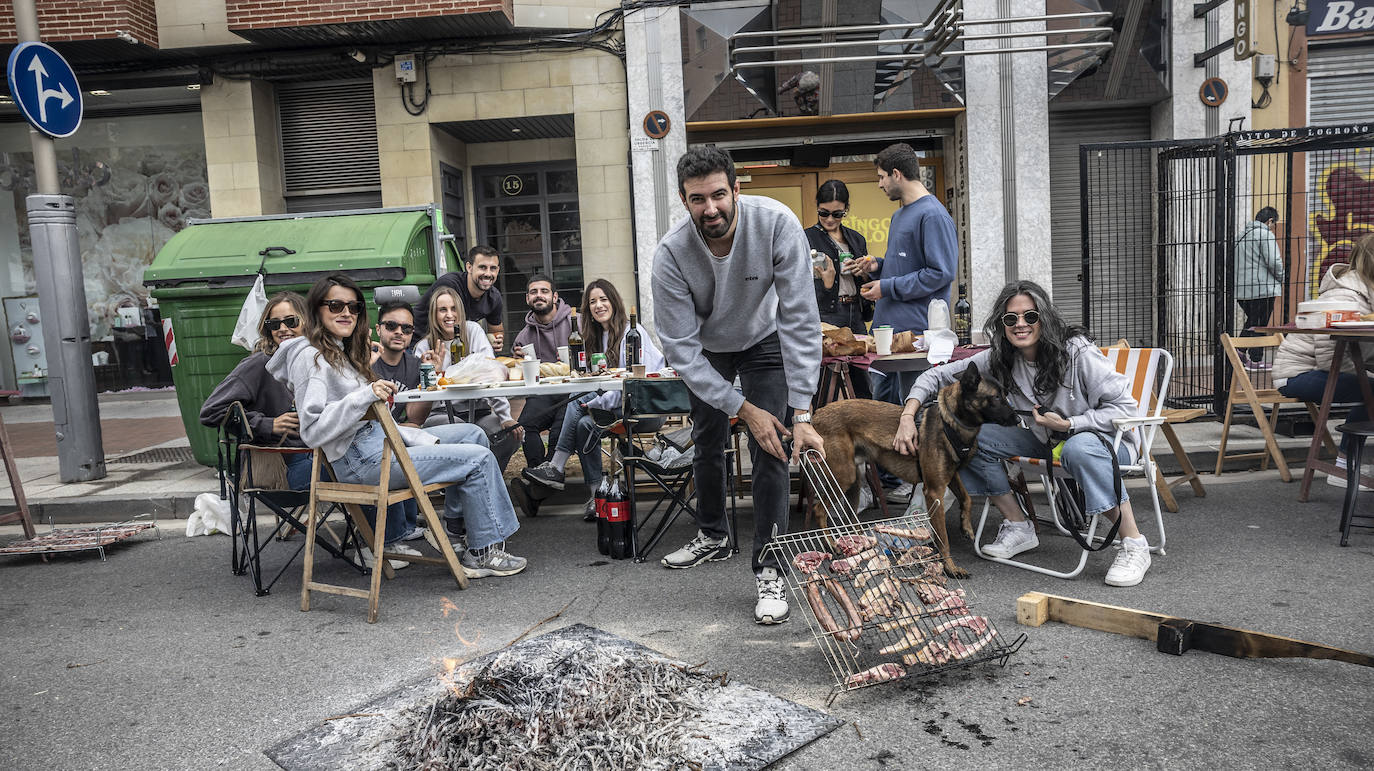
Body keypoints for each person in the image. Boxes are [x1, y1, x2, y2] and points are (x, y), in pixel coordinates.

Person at [651, 145, 824, 625]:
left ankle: (770, 567)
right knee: (707, 441)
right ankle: (713, 534)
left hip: (763, 336)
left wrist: (802, 411)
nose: (710, 209)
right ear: (684, 202)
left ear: (736, 189)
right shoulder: (670, 254)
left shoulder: (776, 223)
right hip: (706, 347)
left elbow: (802, 320)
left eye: (719, 195)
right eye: (697, 199)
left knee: (771, 443)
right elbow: (681, 351)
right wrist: (740, 408)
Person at [895, 280, 1154, 587]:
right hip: (1049, 441)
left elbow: (1127, 409)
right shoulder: (1002, 357)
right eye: (1011, 318)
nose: (1020, 325)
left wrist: (1070, 425)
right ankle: (1019, 525)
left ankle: (1133, 543)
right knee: (972, 438)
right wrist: (908, 416)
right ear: (1001, 324)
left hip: (1108, 443)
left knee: (1078, 448)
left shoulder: (1077, 352)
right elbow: (937, 374)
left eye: (1030, 316)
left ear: (1044, 316)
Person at [266, 274, 526, 578]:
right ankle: (483, 553)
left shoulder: (340, 352)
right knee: (478, 458)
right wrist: (365, 396)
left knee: (474, 433)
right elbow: (311, 429)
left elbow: (363, 409)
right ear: (317, 310)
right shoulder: (312, 358)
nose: (346, 312)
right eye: (335, 305)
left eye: (354, 306)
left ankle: (457, 532)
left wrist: (380, 402)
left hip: (380, 443)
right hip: (363, 460)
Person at [856, 142, 958, 501]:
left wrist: (887, 286)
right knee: (884, 411)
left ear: (897, 174)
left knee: (916, 416)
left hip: (916, 337)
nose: (880, 184)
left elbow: (941, 273)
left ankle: (926, 488)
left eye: (882, 177)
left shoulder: (933, 215)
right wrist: (878, 266)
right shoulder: (902, 214)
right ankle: (894, 482)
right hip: (889, 335)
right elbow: (910, 265)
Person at [522, 279, 665, 518]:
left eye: (603, 299)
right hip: (619, 407)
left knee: (578, 399)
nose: (598, 305)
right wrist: (593, 401)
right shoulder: (597, 337)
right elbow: (601, 383)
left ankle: (556, 466)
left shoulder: (633, 332)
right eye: (592, 302)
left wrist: (591, 403)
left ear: (614, 302)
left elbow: (634, 384)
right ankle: (597, 498)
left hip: (645, 408)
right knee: (584, 425)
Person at [1274, 232, 1374, 489]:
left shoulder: (1363, 292)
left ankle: (1348, 462)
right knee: (1372, 389)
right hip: (1299, 374)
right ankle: (1344, 466)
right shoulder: (1345, 296)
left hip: (1323, 369)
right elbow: (1332, 359)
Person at [200, 291, 311, 490]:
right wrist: (268, 424)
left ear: (308, 322)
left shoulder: (315, 361)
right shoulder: (260, 364)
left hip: (314, 454)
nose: (283, 329)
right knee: (359, 470)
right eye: (274, 324)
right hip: (279, 467)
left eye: (291, 321)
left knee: (369, 465)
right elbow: (211, 411)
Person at [411, 286, 522, 471]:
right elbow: (422, 393)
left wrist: (505, 416)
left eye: (453, 308)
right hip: (441, 414)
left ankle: (489, 478)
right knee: (467, 433)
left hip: (479, 411)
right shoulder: (424, 347)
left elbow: (491, 375)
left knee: (510, 434)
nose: (449, 315)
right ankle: (465, 486)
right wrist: (435, 373)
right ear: (434, 314)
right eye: (442, 310)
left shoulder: (473, 332)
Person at [806, 179, 873, 401]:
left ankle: (863, 428)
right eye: (823, 213)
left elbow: (865, 282)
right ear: (817, 208)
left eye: (837, 214)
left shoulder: (856, 239)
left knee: (861, 380)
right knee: (822, 383)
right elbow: (798, 284)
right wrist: (826, 283)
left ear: (847, 210)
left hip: (854, 310)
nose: (829, 219)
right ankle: (821, 429)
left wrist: (862, 272)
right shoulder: (806, 238)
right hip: (825, 314)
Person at [367, 301, 425, 542]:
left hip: (400, 429)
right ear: (378, 329)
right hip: (370, 434)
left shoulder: (414, 364)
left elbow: (416, 417)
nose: (399, 332)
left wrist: (428, 382)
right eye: (392, 326)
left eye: (407, 328)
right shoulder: (365, 359)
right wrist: (364, 367)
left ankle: (407, 525)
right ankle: (395, 531)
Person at [512, 273, 573, 468]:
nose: (539, 295)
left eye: (544, 291)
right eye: (534, 292)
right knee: (524, 425)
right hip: (542, 395)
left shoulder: (576, 322)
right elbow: (520, 378)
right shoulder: (523, 336)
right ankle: (539, 472)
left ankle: (545, 476)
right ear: (527, 298)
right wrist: (518, 364)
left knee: (559, 429)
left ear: (554, 297)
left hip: (572, 391)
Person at [415, 245, 504, 348]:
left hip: (452, 346)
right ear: (469, 267)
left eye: (493, 268)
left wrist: (496, 340)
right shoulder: (450, 287)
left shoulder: (494, 297)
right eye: (482, 267)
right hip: (420, 343)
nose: (488, 274)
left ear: (497, 271)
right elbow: (444, 330)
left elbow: (497, 331)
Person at [1235, 206, 1284, 371]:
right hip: (1262, 289)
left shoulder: (1241, 236)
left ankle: (1239, 352)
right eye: (1273, 224)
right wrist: (1282, 277)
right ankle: (1256, 360)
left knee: (1253, 321)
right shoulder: (1265, 235)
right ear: (1270, 221)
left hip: (1242, 291)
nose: (1272, 227)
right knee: (1259, 325)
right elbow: (1274, 261)